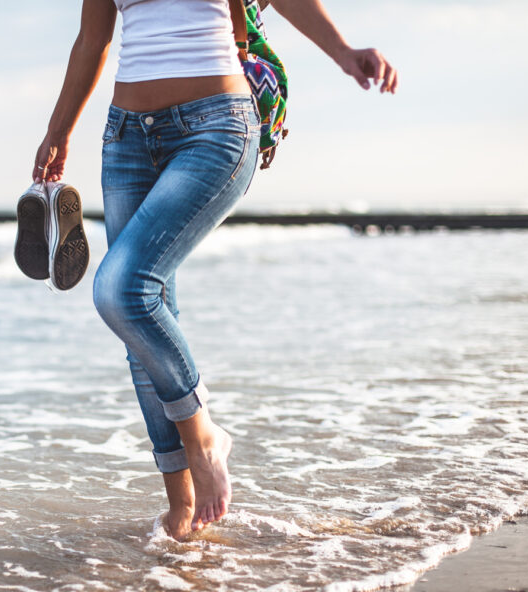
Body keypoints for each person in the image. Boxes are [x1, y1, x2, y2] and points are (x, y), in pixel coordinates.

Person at [31, 0, 397, 541]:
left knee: (121, 291)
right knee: (144, 325)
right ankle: (181, 511)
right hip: (127, 137)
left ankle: (204, 438)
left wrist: (343, 51)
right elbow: (92, 39)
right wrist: (59, 131)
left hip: (217, 127)